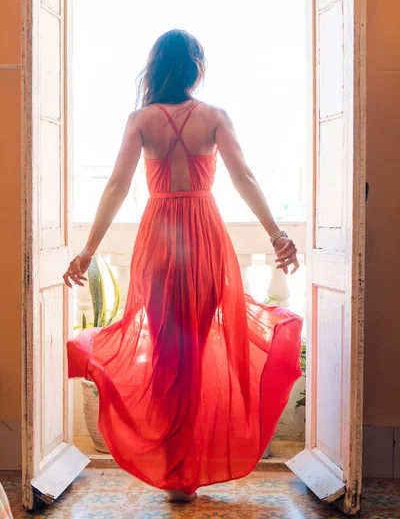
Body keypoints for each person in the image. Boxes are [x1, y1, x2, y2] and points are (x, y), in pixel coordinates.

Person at [65, 29, 302, 503]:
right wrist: (277, 234)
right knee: (193, 357)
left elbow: (115, 185)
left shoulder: (141, 120)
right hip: (204, 238)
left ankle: (177, 471)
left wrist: (89, 250)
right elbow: (243, 176)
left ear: (154, 68)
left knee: (169, 358)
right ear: (196, 66)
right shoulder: (214, 117)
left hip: (158, 241)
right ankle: (186, 471)